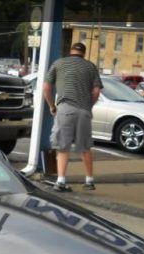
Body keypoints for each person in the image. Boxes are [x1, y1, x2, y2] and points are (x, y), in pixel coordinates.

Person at [43, 42, 103, 191]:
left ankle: (61, 181)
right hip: (84, 111)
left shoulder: (59, 63)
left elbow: (46, 87)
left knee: (63, 146)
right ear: (84, 53)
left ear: (71, 51)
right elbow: (96, 92)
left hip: (65, 108)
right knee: (85, 146)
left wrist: (52, 105)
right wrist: (88, 106)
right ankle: (89, 180)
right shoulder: (90, 67)